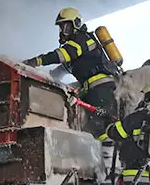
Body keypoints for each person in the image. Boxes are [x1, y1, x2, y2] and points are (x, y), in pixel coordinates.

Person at [22, 7, 118, 140]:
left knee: (99, 127)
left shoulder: (82, 39)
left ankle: (107, 150)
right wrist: (48, 76)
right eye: (61, 28)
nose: (63, 32)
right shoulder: (77, 50)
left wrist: (36, 61)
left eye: (66, 27)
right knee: (92, 128)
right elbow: (64, 68)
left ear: (76, 24)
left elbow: (61, 55)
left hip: (100, 88)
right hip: (93, 89)